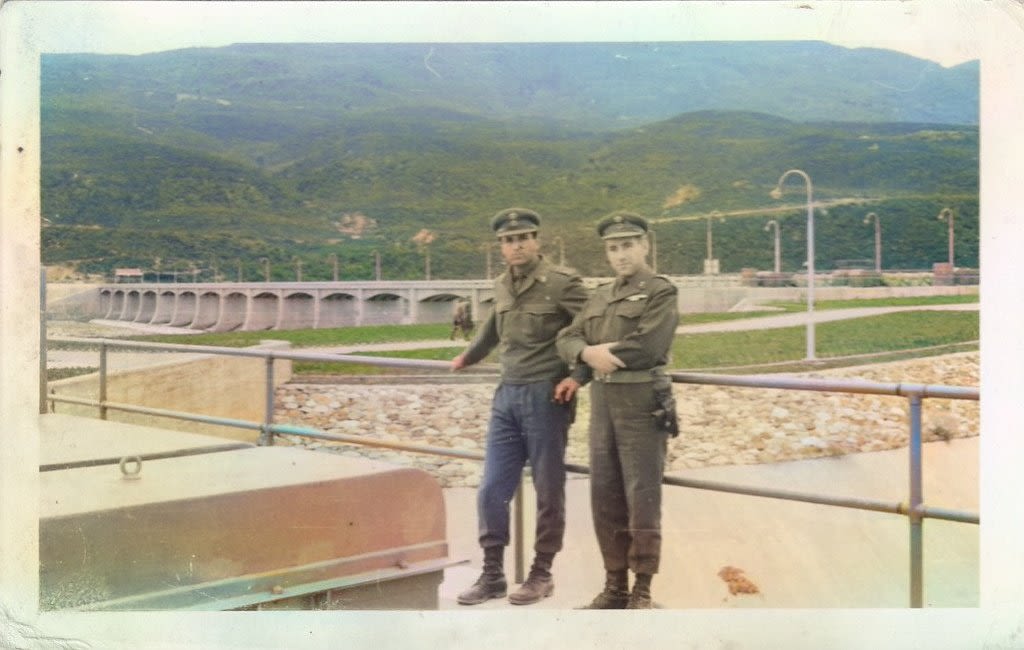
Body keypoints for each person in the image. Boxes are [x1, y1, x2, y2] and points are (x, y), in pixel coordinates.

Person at [451, 207, 590, 606]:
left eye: (523, 238)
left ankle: (541, 573)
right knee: (492, 488)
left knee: (548, 489)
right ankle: (492, 574)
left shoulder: (562, 283)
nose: (516, 246)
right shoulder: (502, 284)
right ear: (501, 247)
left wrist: (578, 376)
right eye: (509, 241)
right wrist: (468, 357)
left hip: (547, 397)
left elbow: (595, 327)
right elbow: (492, 329)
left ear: (536, 240)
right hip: (507, 396)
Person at [555, 211, 679, 609]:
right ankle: (615, 587)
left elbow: (648, 347)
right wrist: (586, 355)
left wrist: (596, 354)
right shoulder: (601, 295)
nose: (621, 255)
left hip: (642, 403)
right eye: (613, 248)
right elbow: (567, 337)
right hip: (604, 405)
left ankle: (642, 589)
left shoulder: (660, 291)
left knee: (642, 496)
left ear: (645, 245)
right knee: (605, 495)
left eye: (628, 245)